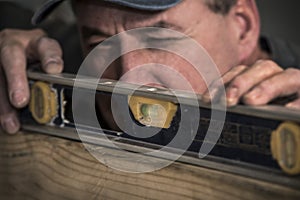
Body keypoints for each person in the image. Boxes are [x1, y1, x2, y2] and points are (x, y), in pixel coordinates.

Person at [0, 0, 300, 134]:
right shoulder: (63, 59)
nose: (129, 78)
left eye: (159, 37)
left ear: (243, 27)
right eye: (101, 43)